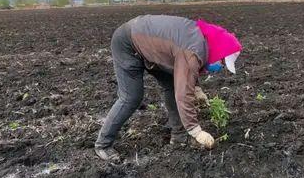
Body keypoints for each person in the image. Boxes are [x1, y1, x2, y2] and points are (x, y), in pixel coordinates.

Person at [95, 15, 242, 162]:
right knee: (131, 97)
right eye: (222, 62)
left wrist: (197, 89)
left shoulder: (202, 40)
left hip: (151, 44)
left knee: (172, 85)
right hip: (128, 42)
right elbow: (183, 93)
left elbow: (185, 70)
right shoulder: (193, 52)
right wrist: (196, 131)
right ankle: (103, 144)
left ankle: (178, 137)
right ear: (219, 50)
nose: (221, 66)